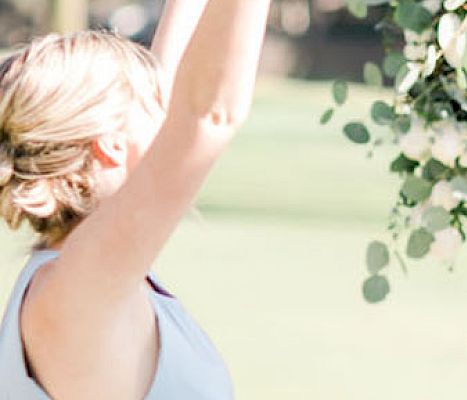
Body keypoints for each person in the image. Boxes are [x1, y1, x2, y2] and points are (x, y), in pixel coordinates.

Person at [0, 0, 271, 397]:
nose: (168, 115)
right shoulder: (79, 285)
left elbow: (179, 86)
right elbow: (208, 114)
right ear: (110, 145)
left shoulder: (89, 270)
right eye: (153, 108)